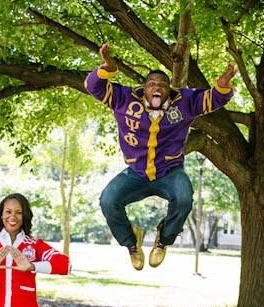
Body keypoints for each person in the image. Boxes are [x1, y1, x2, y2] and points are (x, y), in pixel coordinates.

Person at [85, 43, 236, 270]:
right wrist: (106, 69)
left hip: (169, 172)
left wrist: (222, 87)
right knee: (108, 200)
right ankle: (131, 242)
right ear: (144, 88)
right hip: (136, 174)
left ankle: (163, 240)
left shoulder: (183, 101)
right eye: (152, 84)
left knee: (184, 198)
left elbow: (211, 99)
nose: (157, 88)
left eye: (162, 85)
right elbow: (92, 86)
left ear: (169, 89)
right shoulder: (124, 99)